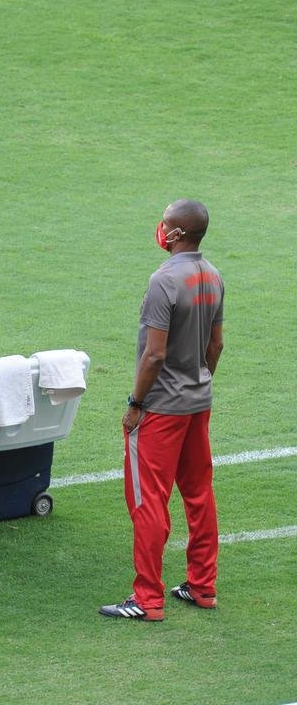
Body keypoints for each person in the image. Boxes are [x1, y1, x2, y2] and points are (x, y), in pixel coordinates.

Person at [100, 199, 224, 621]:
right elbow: (216, 345)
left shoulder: (163, 281)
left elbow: (153, 355)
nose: (161, 229)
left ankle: (147, 598)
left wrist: (136, 404)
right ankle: (202, 587)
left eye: (165, 224)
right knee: (198, 493)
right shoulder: (213, 276)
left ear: (175, 234)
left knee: (148, 500)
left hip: (161, 410)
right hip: (197, 403)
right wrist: (199, 381)